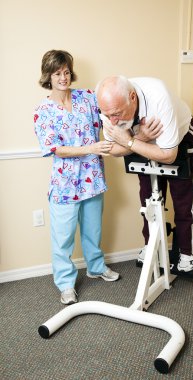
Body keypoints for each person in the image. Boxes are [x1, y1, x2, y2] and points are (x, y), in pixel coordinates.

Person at [34, 50, 119, 305]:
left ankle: (95, 267)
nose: (63, 77)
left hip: (92, 179)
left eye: (67, 72)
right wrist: (90, 148)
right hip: (64, 185)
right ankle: (65, 284)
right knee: (63, 239)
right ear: (48, 76)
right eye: (57, 73)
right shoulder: (43, 111)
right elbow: (55, 148)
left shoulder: (88, 98)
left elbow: (109, 118)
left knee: (93, 231)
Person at [96, 76, 193, 273]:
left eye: (117, 114)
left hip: (179, 138)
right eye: (108, 115)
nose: (113, 121)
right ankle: (151, 245)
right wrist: (140, 138)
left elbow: (169, 155)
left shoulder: (159, 97)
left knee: (183, 201)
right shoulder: (108, 107)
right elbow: (113, 150)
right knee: (148, 200)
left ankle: (187, 251)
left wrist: (129, 142)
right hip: (143, 140)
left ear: (132, 97)